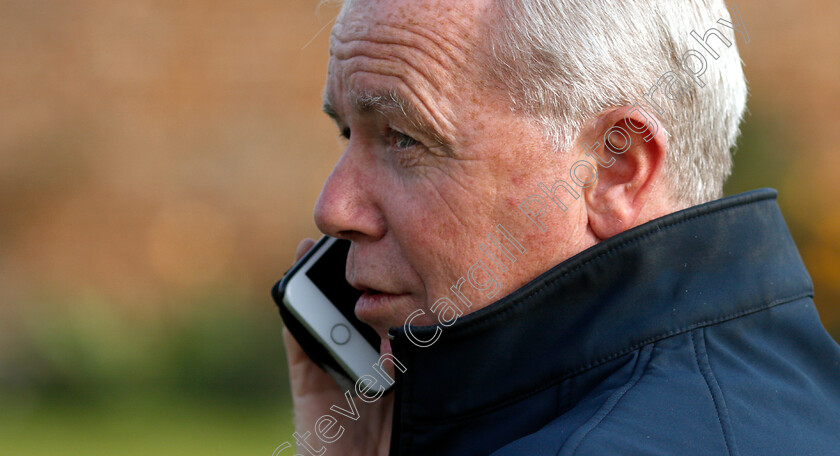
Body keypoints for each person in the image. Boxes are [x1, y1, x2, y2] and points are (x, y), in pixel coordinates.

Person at [278, 0, 840, 454]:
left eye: (404, 138)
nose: (334, 208)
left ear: (613, 171)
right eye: (349, 134)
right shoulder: (805, 392)